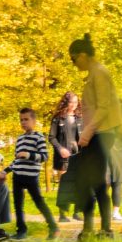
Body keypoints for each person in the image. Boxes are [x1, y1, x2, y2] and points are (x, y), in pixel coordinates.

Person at [70, 34, 122, 238]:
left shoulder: (100, 73)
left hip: (102, 134)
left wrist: (87, 132)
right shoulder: (94, 73)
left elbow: (103, 107)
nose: (74, 64)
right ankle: (90, 228)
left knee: (95, 181)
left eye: (73, 59)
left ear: (83, 55)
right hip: (96, 133)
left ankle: (104, 229)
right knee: (87, 181)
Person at [10, 107, 59, 240]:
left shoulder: (39, 137)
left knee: (39, 202)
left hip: (31, 177)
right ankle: (21, 231)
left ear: (34, 121)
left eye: (26, 119)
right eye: (21, 120)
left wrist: (28, 155)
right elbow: (16, 160)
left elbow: (44, 156)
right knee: (18, 205)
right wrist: (5, 171)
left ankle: (54, 227)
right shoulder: (20, 139)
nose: (23, 122)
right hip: (17, 176)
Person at [51, 92, 82, 222]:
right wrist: (60, 149)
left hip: (78, 155)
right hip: (63, 156)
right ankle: (62, 214)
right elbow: (52, 137)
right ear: (66, 103)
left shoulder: (80, 117)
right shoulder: (58, 118)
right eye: (71, 102)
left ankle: (77, 212)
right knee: (64, 184)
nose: (74, 105)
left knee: (80, 183)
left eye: (76, 102)